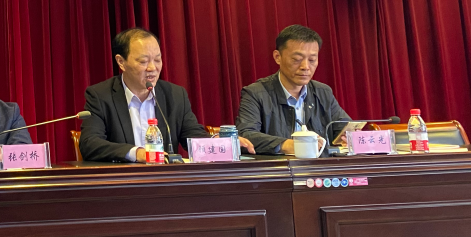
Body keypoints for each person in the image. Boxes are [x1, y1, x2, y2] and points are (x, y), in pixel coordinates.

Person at [80, 28, 251, 162]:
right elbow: (90, 143)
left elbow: (193, 136)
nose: (152, 68)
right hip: (123, 184)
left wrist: (220, 144)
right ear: (121, 62)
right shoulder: (100, 95)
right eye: (143, 61)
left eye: (157, 59)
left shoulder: (175, 95)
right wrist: (138, 153)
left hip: (166, 184)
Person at [236, 24, 352, 155]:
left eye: (312, 60)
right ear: (277, 57)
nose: (305, 66)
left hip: (320, 167)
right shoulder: (255, 93)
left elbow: (345, 127)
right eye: (297, 59)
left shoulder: (323, 92)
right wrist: (286, 145)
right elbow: (245, 135)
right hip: (279, 166)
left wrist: (350, 136)